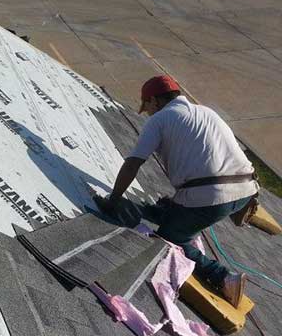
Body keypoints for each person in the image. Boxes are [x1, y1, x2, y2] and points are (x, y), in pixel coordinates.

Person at [95, 75, 258, 307]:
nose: (148, 113)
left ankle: (223, 277)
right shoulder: (207, 112)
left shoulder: (160, 119)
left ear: (154, 100)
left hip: (212, 197)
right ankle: (184, 214)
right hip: (246, 189)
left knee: (171, 238)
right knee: (172, 209)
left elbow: (133, 163)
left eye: (147, 107)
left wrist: (113, 199)